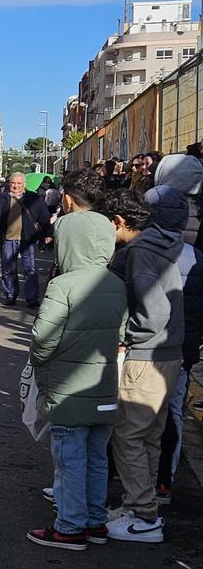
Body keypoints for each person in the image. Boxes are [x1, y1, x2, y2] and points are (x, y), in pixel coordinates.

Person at [25, 211, 127, 551]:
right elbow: (124, 332)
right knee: (97, 457)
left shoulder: (63, 285)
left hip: (68, 388)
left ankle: (69, 526)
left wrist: (39, 363)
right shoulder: (116, 284)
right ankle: (96, 521)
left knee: (69, 459)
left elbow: (43, 337)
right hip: (104, 386)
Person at [102, 190, 183, 544]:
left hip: (146, 354)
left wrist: (128, 338)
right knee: (149, 436)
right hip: (169, 354)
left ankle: (142, 514)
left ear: (119, 222)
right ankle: (141, 505)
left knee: (128, 435)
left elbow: (152, 312)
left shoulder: (139, 252)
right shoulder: (163, 244)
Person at [146, 187, 203, 504]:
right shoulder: (197, 258)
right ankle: (164, 482)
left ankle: (136, 481)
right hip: (183, 350)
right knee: (174, 414)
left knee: (138, 415)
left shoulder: (145, 252)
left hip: (149, 348)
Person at [0, 172, 51, 308]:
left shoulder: (34, 198)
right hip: (8, 238)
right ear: (9, 183)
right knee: (8, 269)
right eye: (13, 183)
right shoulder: (0, 199)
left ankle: (31, 298)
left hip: (28, 238)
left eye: (19, 183)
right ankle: (10, 295)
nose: (15, 186)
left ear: (24, 184)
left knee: (30, 269)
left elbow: (44, 217)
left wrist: (47, 233)